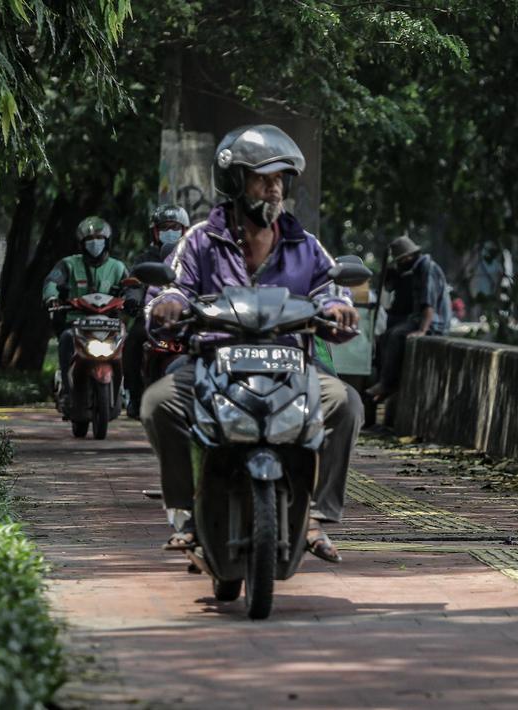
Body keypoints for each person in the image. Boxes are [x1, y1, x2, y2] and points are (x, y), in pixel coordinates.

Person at [141, 124, 361, 563]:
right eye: (263, 178)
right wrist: (166, 305)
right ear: (235, 181)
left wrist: (339, 308)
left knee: (345, 403)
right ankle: (185, 510)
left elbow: (331, 289)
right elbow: (173, 288)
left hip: (290, 367)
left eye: (280, 179)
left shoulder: (306, 245)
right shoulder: (202, 239)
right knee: (158, 403)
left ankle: (315, 513)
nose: (274, 189)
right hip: (214, 363)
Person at [43, 216, 129, 410]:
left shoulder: (118, 267)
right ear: (82, 243)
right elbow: (52, 282)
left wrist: (134, 298)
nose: (94, 242)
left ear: (107, 241)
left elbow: (133, 287)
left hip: (110, 324)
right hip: (76, 323)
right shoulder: (69, 264)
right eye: (89, 239)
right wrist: (52, 297)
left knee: (130, 343)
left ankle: (127, 389)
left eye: (99, 237)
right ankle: (67, 389)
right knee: (65, 339)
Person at [122, 204, 189, 419]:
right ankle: (134, 395)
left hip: (189, 319)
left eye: (175, 227)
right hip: (151, 317)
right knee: (132, 342)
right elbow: (134, 284)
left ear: (185, 229)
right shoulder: (146, 257)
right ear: (155, 231)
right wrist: (133, 301)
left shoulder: (193, 254)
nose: (170, 231)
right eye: (164, 227)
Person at [366, 236, 450, 402]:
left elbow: (428, 303)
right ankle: (386, 381)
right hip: (417, 319)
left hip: (434, 323)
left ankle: (387, 383)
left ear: (408, 257)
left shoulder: (427, 268)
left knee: (397, 335)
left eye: (401, 260)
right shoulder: (416, 271)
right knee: (386, 336)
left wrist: (422, 330)